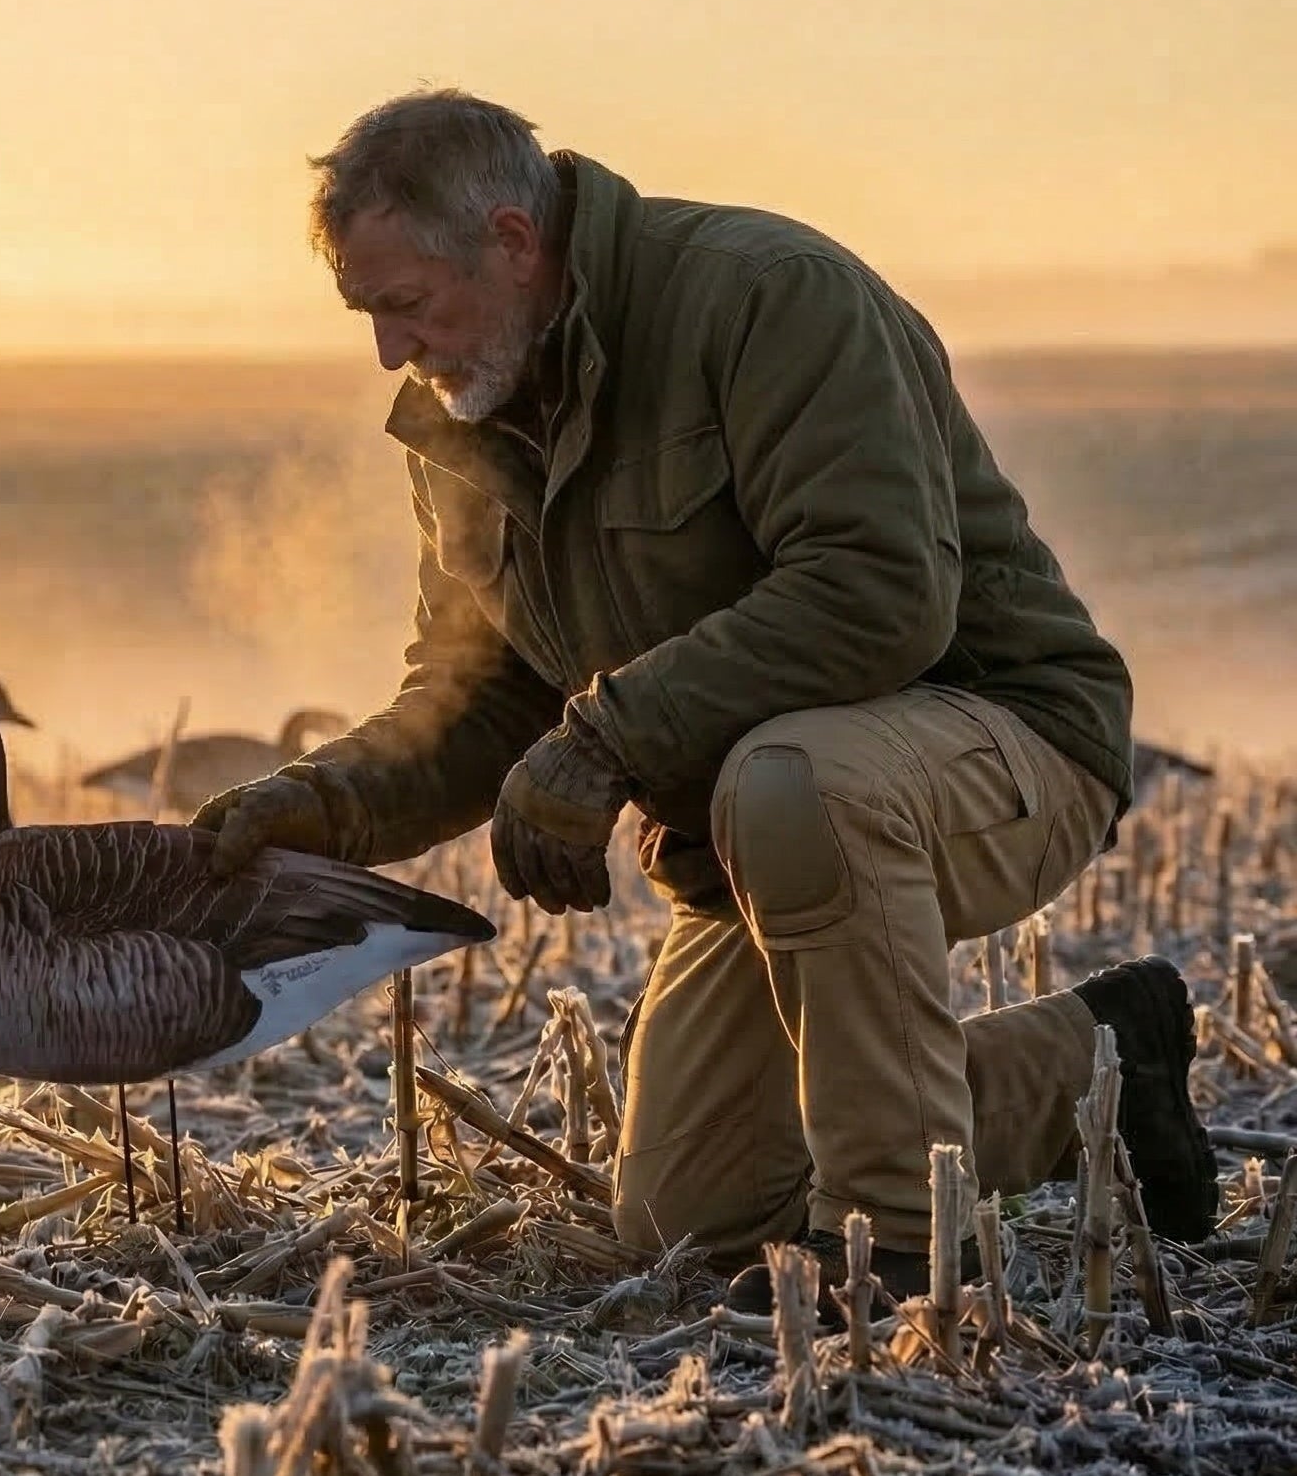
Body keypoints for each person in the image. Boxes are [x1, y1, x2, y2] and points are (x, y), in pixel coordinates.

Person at [191, 89, 1217, 1311]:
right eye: (366, 316)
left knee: (792, 780)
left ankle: (895, 1251)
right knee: (690, 1215)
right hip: (759, 837)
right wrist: (317, 806)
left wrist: (605, 739)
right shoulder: (468, 426)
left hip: (996, 746)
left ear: (511, 243)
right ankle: (1095, 1066)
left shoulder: (767, 298)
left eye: (405, 307)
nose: (389, 353)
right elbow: (477, 699)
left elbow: (879, 593)